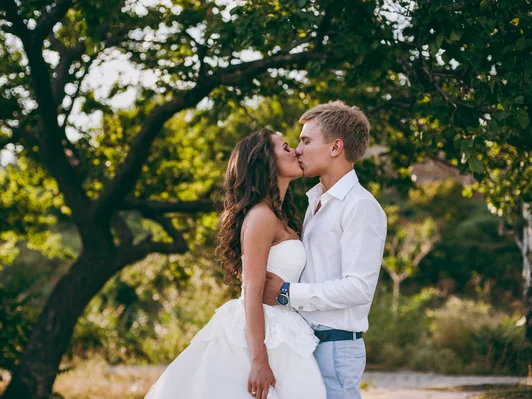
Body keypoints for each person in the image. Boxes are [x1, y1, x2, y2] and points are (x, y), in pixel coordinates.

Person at [144, 128, 326, 399]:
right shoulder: (261, 216)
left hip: (284, 329)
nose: (296, 151)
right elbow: (251, 288)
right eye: (286, 147)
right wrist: (259, 360)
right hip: (262, 334)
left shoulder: (280, 215)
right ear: (266, 162)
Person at [263, 101, 387, 399]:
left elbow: (359, 288)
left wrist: (286, 293)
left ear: (335, 147)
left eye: (306, 140)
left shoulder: (360, 206)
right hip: (306, 345)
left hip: (335, 349)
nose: (299, 150)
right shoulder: (315, 201)